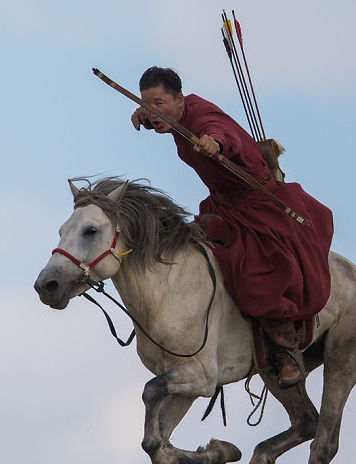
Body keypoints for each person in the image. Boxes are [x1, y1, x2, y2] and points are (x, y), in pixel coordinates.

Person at [131, 66, 333, 387]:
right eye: (146, 104)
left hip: (258, 206)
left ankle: (286, 351)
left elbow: (224, 133)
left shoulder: (203, 118)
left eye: (159, 103)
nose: (153, 112)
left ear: (180, 100)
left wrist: (215, 143)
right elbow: (160, 116)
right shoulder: (173, 116)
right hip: (224, 205)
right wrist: (145, 115)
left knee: (254, 275)